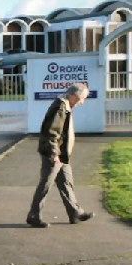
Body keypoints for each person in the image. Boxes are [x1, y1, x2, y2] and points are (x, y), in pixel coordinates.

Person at [26, 83, 93, 228]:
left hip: (62, 155)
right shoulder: (60, 107)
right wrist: (54, 154)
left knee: (66, 183)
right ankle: (34, 215)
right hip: (54, 154)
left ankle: (75, 212)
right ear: (75, 95)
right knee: (46, 184)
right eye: (83, 98)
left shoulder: (66, 106)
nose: (83, 101)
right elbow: (51, 132)